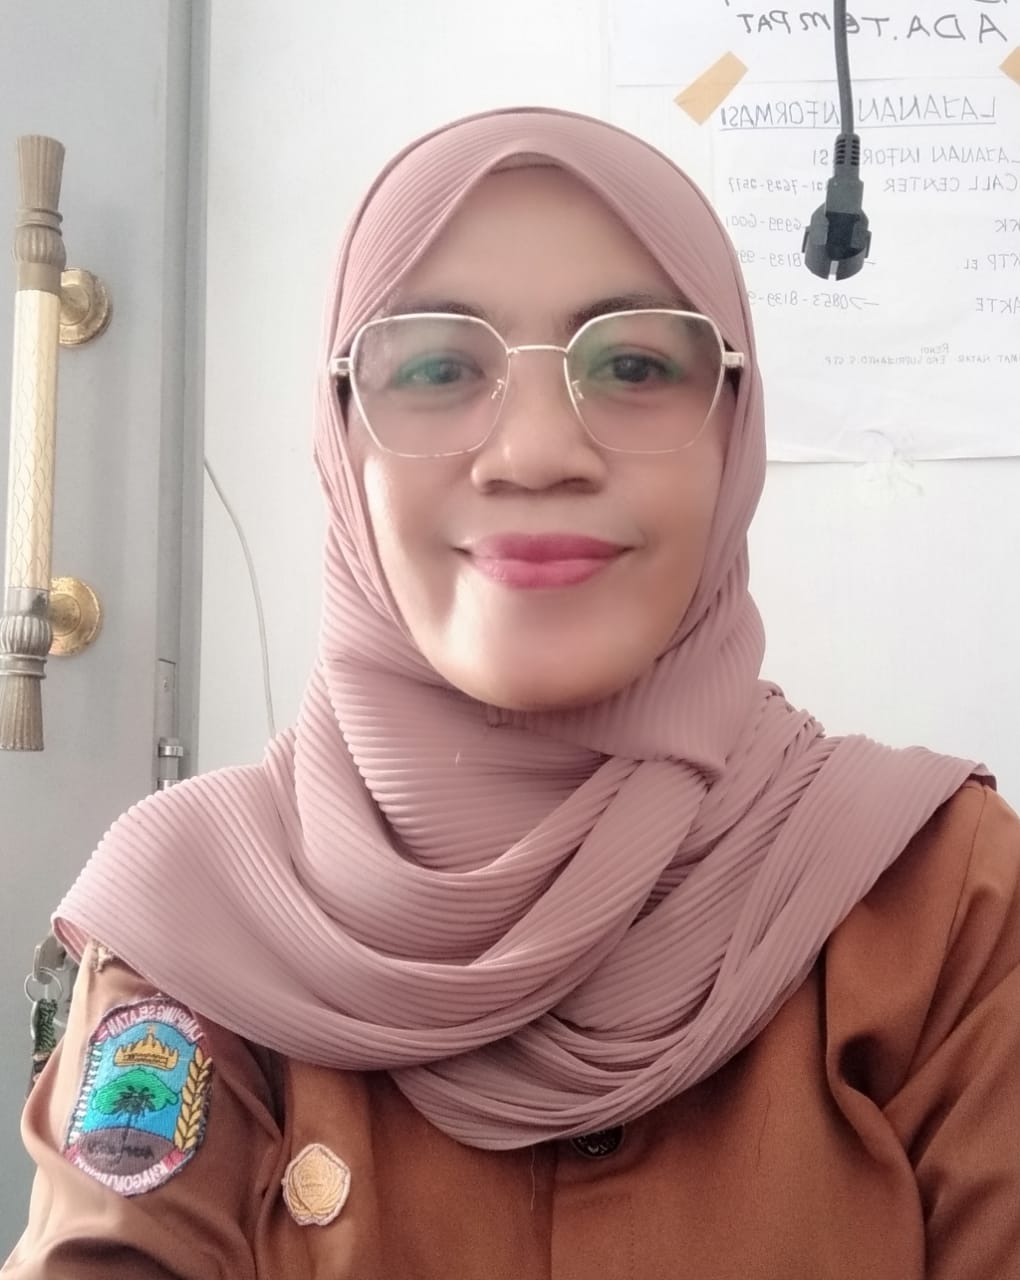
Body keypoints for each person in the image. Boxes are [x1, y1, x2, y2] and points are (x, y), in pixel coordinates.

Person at [4, 106, 1019, 1280]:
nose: (536, 450)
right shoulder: (194, 917)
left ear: (734, 434)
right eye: (437, 366)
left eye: (635, 365)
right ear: (341, 442)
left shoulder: (939, 901)